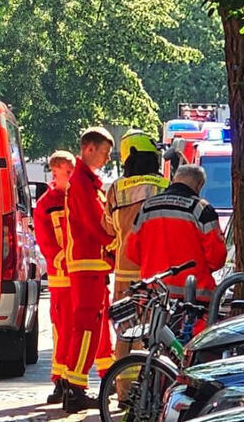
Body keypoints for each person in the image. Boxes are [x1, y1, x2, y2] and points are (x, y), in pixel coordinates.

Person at [102, 129, 169, 397]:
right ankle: (151, 389)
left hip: (125, 271)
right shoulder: (164, 185)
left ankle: (124, 391)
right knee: (153, 329)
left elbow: (106, 228)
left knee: (125, 331)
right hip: (156, 269)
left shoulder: (116, 189)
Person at [62, 126, 115, 413]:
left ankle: (74, 385)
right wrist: (117, 239)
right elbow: (96, 224)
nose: (107, 159)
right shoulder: (83, 184)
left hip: (90, 264)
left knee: (87, 328)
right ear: (89, 149)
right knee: (86, 329)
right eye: (105, 153)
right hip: (88, 264)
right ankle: (75, 389)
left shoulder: (86, 182)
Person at [126, 164, 227, 307]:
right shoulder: (202, 209)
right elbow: (217, 257)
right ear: (199, 185)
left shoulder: (147, 207)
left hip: (155, 295)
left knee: (154, 330)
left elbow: (132, 252)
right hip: (194, 297)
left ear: (175, 179)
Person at [32, 150, 76, 405]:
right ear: (54, 173)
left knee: (80, 330)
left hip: (79, 275)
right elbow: (46, 242)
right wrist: (62, 259)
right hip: (62, 277)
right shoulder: (47, 204)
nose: (69, 179)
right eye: (65, 174)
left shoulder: (76, 199)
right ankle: (60, 379)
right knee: (62, 331)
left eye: (71, 173)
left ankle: (71, 378)